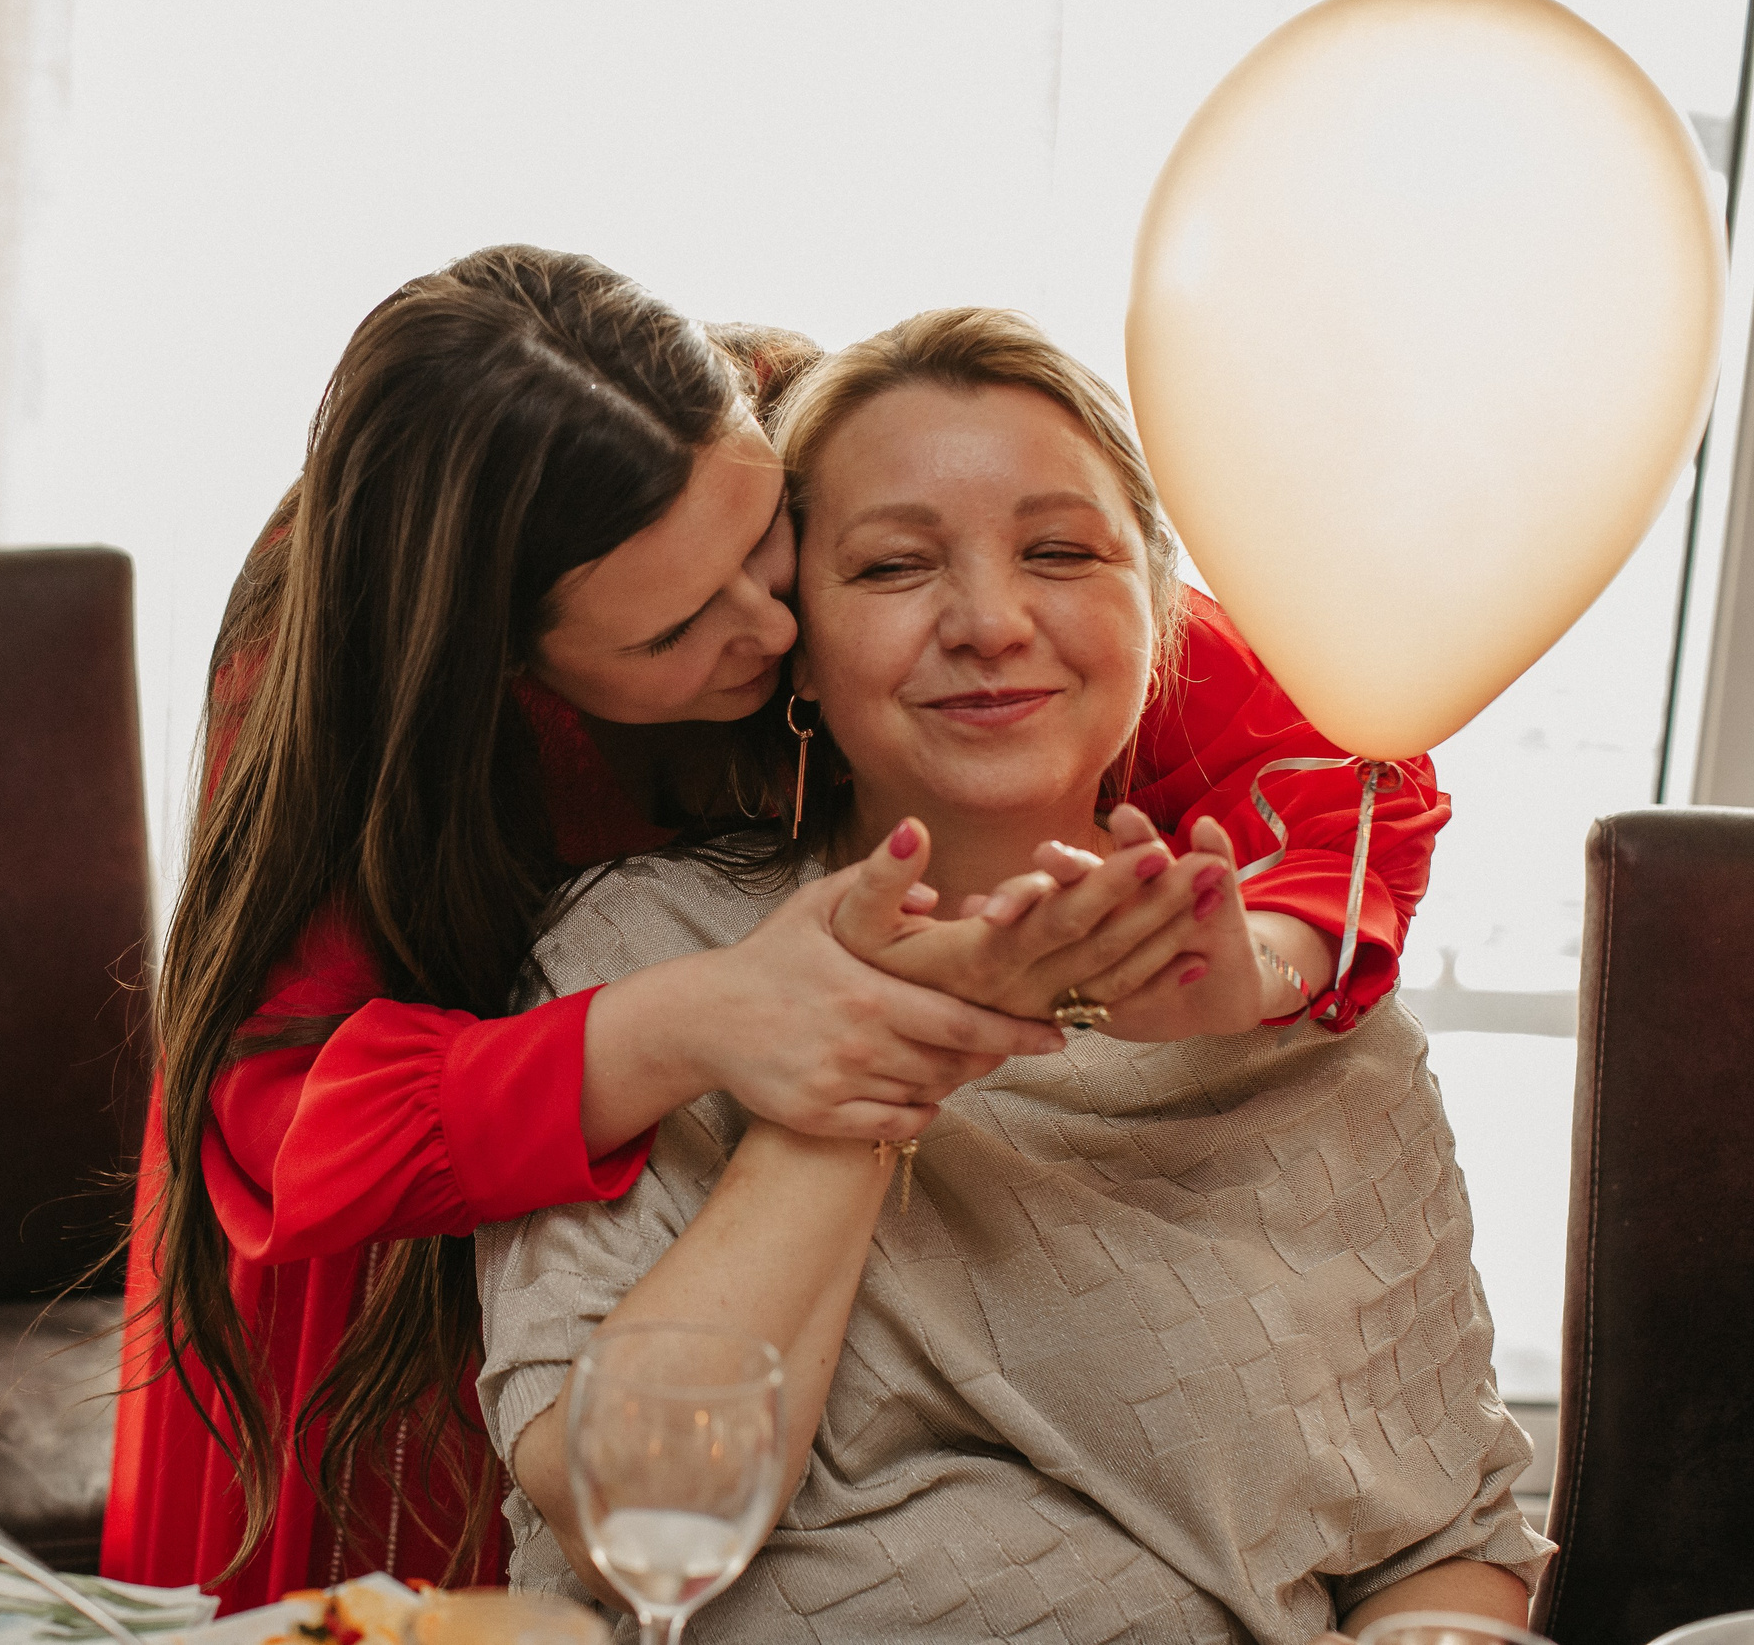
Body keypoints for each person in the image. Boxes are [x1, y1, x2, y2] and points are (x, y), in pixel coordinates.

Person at [103, 247, 1449, 1611]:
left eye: (765, 550)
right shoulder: (348, 645)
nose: (765, 627)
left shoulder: (877, 482)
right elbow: (283, 1117)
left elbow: (1333, 766)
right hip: (423, 1249)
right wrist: (694, 1018)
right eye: (678, 628)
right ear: (503, 660)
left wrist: (1258, 968)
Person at [476, 309, 1541, 1641]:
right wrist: (897, 1032)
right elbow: (624, 1503)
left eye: (1059, 552)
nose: (989, 621)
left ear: (1155, 609)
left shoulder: (1318, 1031)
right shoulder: (633, 961)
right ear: (792, 639)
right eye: (894, 567)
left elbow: (1445, 1548)